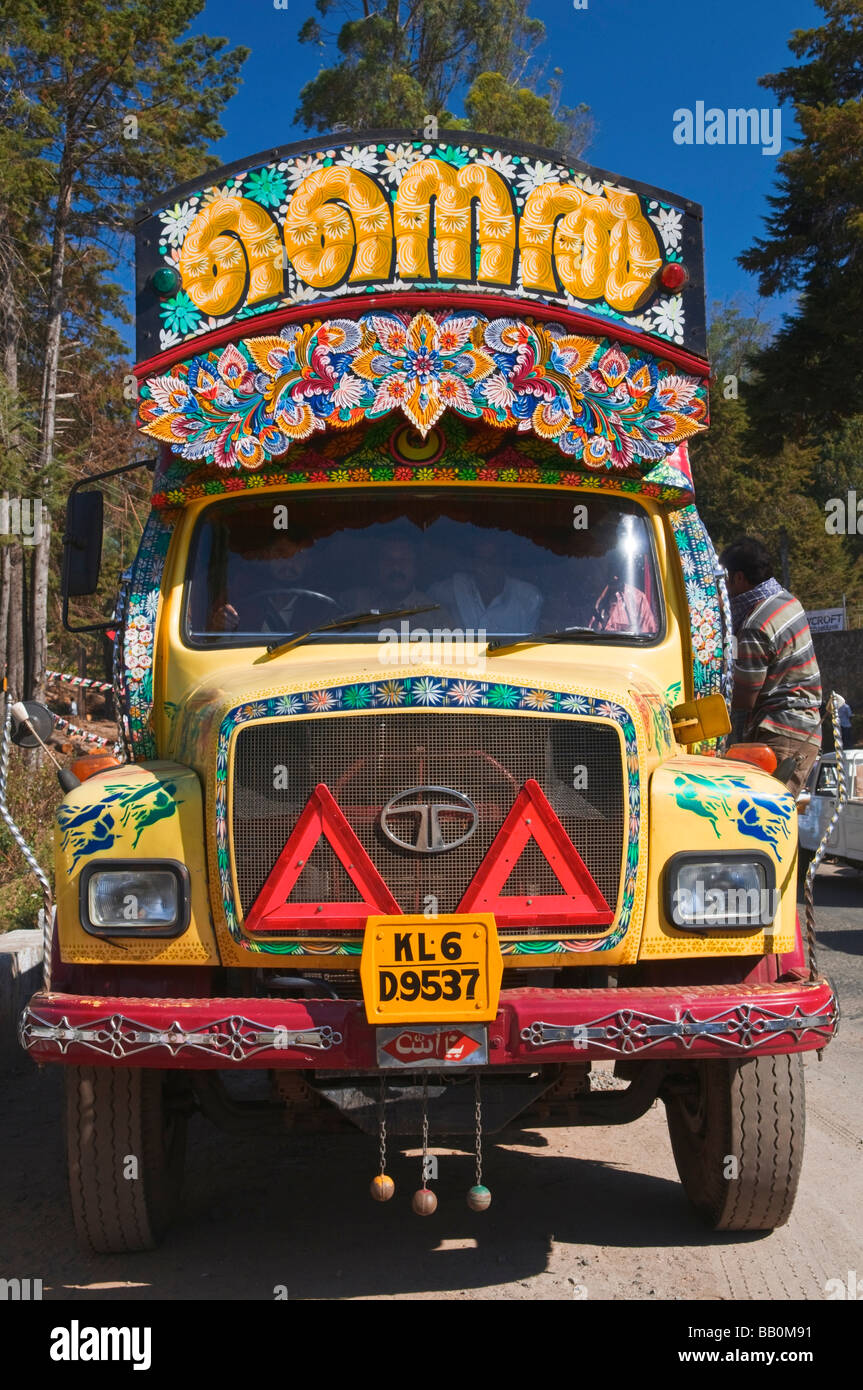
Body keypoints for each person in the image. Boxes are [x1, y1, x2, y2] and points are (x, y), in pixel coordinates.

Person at [720, 537, 822, 795]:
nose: (724, 587)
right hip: (802, 730)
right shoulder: (787, 602)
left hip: (781, 734)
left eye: (726, 578)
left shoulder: (755, 624)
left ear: (739, 578)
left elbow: (744, 697)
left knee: (769, 823)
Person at [429, 533, 542, 632]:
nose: (486, 567)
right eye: (480, 560)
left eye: (492, 560)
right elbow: (424, 601)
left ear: (504, 561)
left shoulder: (528, 598)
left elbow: (530, 648)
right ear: (473, 563)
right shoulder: (456, 588)